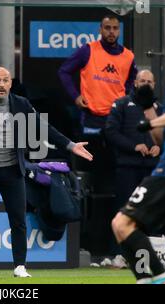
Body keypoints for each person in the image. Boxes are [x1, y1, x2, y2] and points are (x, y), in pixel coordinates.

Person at [0, 67, 93, 278]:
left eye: (5, 80)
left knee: (18, 221)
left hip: (13, 171)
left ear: (10, 84)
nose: (2, 84)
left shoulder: (22, 104)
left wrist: (70, 145)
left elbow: (42, 127)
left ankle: (20, 266)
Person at [111, 57, 165, 284]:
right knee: (128, 227)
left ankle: (163, 278)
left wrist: (149, 124)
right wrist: (149, 112)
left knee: (121, 223)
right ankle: (145, 279)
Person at [58, 14, 137, 194]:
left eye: (115, 28)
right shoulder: (88, 50)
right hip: (92, 117)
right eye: (107, 28)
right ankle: (88, 204)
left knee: (116, 164)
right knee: (90, 163)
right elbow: (64, 71)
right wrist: (76, 96)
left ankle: (115, 203)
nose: (111, 32)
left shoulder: (128, 56)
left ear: (119, 30)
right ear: (100, 29)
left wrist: (126, 100)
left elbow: (132, 82)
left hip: (117, 118)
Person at [105, 70, 163, 257]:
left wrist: (159, 147)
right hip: (127, 167)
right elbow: (111, 132)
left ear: (154, 85)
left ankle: (151, 254)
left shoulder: (159, 108)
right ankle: (118, 254)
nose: (146, 84)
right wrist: (134, 146)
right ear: (135, 83)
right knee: (124, 211)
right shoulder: (121, 104)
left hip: (152, 169)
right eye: (142, 80)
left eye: (149, 81)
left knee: (152, 212)